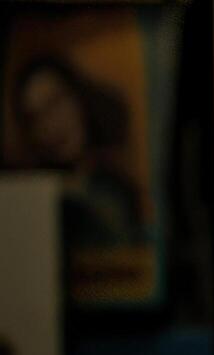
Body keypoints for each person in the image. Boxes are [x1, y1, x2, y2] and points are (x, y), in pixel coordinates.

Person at [9, 56, 143, 246]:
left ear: (78, 96)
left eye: (55, 103)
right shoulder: (32, 202)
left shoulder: (116, 188)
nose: (50, 125)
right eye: (35, 118)